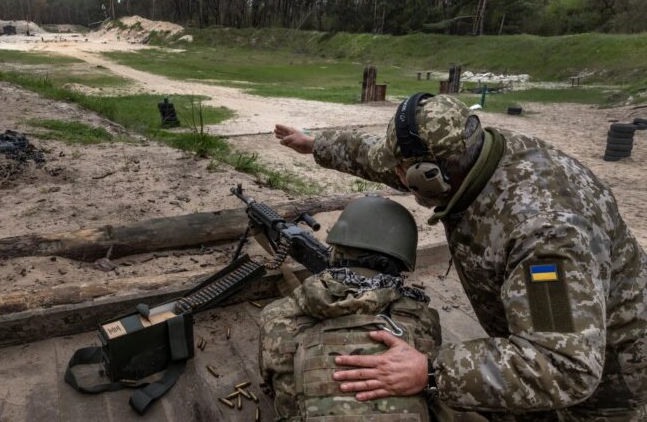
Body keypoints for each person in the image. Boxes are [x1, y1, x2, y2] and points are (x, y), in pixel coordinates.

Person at [273, 93, 647, 421]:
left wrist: (431, 371)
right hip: (545, 342)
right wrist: (316, 145)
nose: (396, 176)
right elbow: (380, 159)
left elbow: (565, 365)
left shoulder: (545, 237)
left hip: (610, 379)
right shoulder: (472, 155)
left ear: (430, 176)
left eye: (404, 174)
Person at [259, 195, 484, 421]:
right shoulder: (422, 317)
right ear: (399, 264)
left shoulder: (276, 315)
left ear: (336, 251)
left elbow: (272, 381)